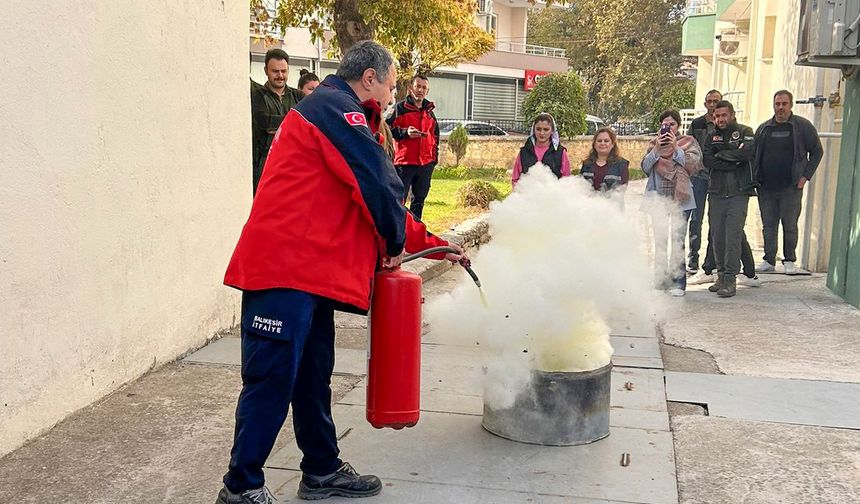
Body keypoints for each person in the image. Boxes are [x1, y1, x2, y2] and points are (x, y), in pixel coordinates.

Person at [216, 41, 467, 504]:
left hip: (309, 277)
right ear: (369, 78)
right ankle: (242, 486)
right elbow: (379, 181)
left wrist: (436, 246)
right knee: (271, 379)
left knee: (314, 376)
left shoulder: (341, 114)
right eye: (391, 86)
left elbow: (377, 200)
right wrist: (393, 245)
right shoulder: (334, 108)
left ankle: (322, 470)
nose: (392, 96)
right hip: (282, 272)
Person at [754, 89, 824, 275]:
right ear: (773, 105)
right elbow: (754, 155)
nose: (781, 108)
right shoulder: (764, 128)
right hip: (766, 187)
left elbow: (817, 151)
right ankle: (769, 260)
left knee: (790, 225)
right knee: (768, 226)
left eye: (784, 104)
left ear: (790, 105)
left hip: (791, 187)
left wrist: (805, 177)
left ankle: (789, 260)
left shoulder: (802, 126)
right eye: (777, 104)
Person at [641, 110, 702, 296]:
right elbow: (645, 167)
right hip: (657, 198)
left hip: (681, 199)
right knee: (659, 242)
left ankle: (678, 283)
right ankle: (660, 282)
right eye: (665, 125)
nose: (668, 128)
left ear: (678, 126)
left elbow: (692, 165)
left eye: (672, 124)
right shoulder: (653, 144)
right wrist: (656, 150)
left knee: (678, 241)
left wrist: (676, 148)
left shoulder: (689, 142)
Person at [701, 100, 757, 297]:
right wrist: (732, 159)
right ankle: (721, 275)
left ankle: (731, 280)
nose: (720, 119)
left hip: (738, 193)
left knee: (733, 236)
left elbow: (746, 153)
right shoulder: (710, 136)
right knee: (717, 237)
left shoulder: (745, 131)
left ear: (732, 115)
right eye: (716, 116)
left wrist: (722, 155)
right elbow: (708, 160)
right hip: (716, 193)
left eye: (724, 115)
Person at [250, 49, 304, 195]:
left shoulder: (299, 96)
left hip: (295, 167)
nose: (280, 76)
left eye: (283, 71)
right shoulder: (257, 95)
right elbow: (264, 122)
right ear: (266, 71)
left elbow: (310, 123)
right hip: (266, 168)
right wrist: (295, 123)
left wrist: (279, 124)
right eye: (275, 71)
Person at [386, 74, 440, 220]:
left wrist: (433, 161)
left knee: (419, 201)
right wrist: (405, 132)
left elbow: (435, 137)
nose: (420, 90)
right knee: (399, 200)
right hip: (404, 163)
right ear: (411, 88)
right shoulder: (400, 108)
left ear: (427, 91)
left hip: (425, 165)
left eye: (424, 88)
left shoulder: (429, 112)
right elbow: (385, 129)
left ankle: (415, 233)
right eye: (418, 86)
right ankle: (398, 231)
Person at [685, 89, 722, 272]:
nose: (712, 104)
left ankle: (711, 260)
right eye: (709, 101)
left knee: (714, 219)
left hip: (717, 177)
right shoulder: (697, 124)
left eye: (716, 101)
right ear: (705, 103)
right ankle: (693, 258)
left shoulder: (724, 124)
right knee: (696, 218)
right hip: (698, 177)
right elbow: (687, 145)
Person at [511, 113, 571, 187]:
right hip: (527, 196)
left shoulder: (560, 152)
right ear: (534, 130)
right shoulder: (524, 152)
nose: (542, 133)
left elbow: (566, 179)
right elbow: (515, 179)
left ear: (552, 131)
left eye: (546, 129)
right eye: (538, 129)